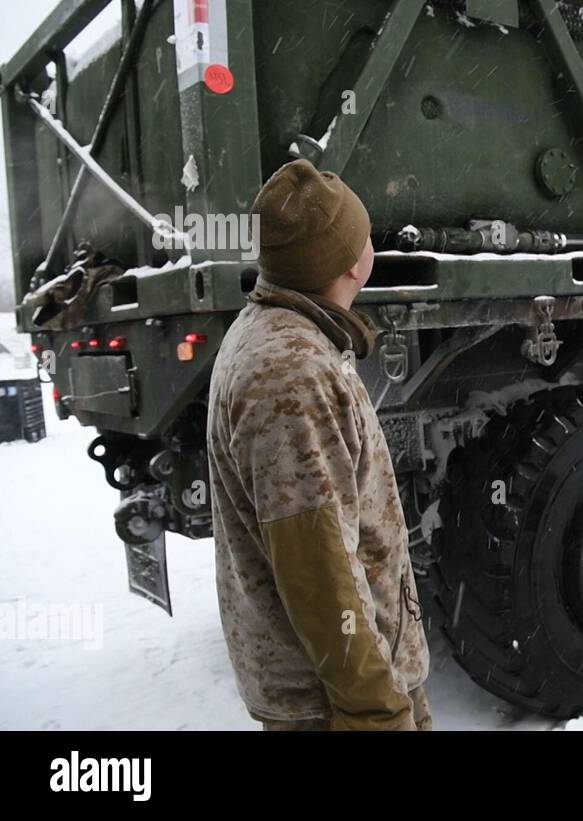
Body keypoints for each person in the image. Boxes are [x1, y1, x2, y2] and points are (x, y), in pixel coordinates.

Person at [207, 159, 431, 730]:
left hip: (330, 694)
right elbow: (321, 576)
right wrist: (378, 714)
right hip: (333, 708)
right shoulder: (292, 373)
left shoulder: (276, 334)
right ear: (351, 261)